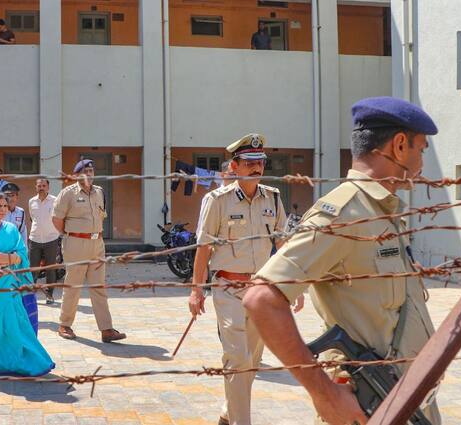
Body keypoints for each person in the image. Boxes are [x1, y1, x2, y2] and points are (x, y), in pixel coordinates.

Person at [243, 97, 442, 425]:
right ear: (400, 145)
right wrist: (324, 393)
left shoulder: (383, 211)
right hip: (372, 406)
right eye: (422, 149)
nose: (422, 163)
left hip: (410, 402)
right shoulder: (345, 214)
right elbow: (261, 298)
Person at [189, 134, 293, 425]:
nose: (256, 167)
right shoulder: (217, 200)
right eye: (249, 163)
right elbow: (204, 248)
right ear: (234, 166)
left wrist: (291, 287)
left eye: (260, 162)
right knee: (237, 358)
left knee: (253, 361)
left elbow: (284, 244)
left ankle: (228, 411)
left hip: (261, 290)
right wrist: (196, 291)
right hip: (228, 288)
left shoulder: (272, 197)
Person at [0, 191, 54, 376]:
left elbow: (20, 253)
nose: (3, 209)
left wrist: (10, 259)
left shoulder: (11, 229)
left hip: (7, 282)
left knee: (11, 324)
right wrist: (10, 258)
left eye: (5, 206)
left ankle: (11, 360)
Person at [52, 159, 126, 343]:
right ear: (77, 175)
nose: (90, 174)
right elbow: (56, 219)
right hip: (76, 243)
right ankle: (65, 324)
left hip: (97, 243)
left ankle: (106, 329)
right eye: (86, 171)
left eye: (92, 170)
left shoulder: (99, 192)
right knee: (73, 285)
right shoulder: (67, 194)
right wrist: (69, 235)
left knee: (99, 286)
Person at [28, 178, 61, 304]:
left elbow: (58, 217)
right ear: (36, 187)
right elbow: (32, 217)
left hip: (51, 238)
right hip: (35, 239)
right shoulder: (31, 201)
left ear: (48, 187)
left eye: (43, 185)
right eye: (39, 186)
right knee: (33, 268)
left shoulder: (55, 200)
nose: (41, 187)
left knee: (50, 268)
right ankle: (31, 294)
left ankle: (49, 294)